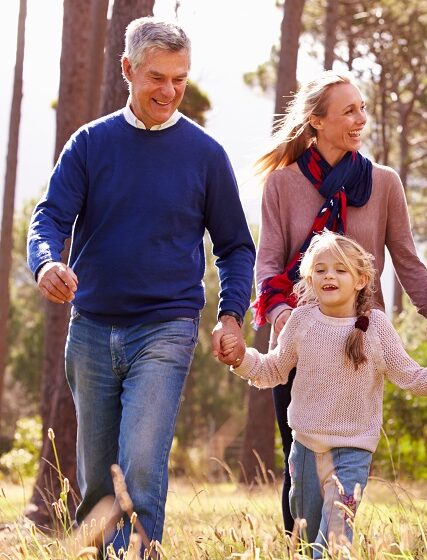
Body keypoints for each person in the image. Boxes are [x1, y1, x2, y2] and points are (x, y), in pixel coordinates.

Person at [26, 17, 255, 553]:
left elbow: (236, 246)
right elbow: (49, 219)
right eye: (157, 77)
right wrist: (44, 264)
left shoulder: (205, 155)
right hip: (91, 330)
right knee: (99, 480)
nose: (170, 91)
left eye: (179, 79)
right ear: (127, 69)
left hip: (167, 327)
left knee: (142, 464)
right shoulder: (90, 144)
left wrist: (230, 315)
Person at [250, 70, 427, 533]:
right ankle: (300, 542)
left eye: (362, 108)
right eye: (349, 111)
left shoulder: (384, 183)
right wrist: (283, 321)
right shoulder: (282, 184)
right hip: (301, 340)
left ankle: (334, 542)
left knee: (348, 463)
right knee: (298, 461)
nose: (361, 119)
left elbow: (408, 260)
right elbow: (268, 263)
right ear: (316, 122)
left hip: (359, 340)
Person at [217, 232, 427, 556]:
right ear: (309, 277)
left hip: (352, 453)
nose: (329, 276)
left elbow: (415, 380)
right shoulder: (302, 321)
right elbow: (273, 370)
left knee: (334, 540)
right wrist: (240, 359)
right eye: (320, 269)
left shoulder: (376, 328)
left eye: (340, 270)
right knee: (308, 538)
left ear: (361, 279)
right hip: (306, 452)